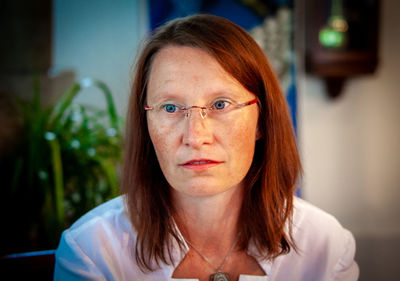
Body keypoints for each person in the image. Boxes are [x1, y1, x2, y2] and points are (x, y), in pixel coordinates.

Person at [54, 14, 359, 281]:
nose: (195, 136)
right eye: (171, 107)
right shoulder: (92, 251)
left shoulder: (326, 247)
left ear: (262, 121)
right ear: (145, 123)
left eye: (220, 104)